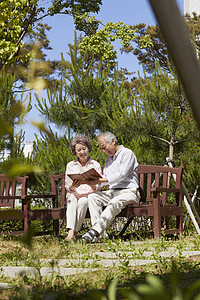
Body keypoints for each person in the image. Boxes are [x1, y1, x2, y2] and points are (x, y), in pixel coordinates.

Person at [82, 132, 140, 243]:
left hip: (129, 192)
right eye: (101, 149)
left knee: (115, 202)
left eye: (104, 147)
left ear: (113, 141)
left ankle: (94, 232)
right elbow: (106, 178)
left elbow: (122, 174)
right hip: (113, 192)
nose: (104, 151)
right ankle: (101, 235)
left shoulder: (127, 153)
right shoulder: (108, 160)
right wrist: (95, 183)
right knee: (93, 197)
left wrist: (103, 180)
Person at [65, 135, 102, 242]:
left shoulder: (95, 164)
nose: (82, 152)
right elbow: (68, 186)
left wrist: (93, 185)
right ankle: (71, 232)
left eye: (84, 149)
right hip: (74, 194)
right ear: (75, 151)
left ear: (88, 149)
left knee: (83, 202)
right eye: (79, 150)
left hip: (88, 195)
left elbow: (99, 186)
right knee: (71, 199)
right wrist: (73, 186)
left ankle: (74, 233)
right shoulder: (70, 165)